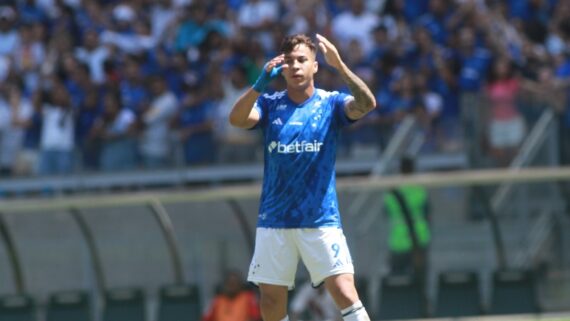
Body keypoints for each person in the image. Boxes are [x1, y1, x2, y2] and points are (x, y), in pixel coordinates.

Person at [229, 34, 376, 321]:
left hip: (319, 219)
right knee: (271, 301)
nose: (295, 66)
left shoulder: (331, 103)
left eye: (302, 60)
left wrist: (341, 65)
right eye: (289, 62)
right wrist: (259, 84)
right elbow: (236, 120)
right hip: (274, 220)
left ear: (315, 66)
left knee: (345, 291)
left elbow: (367, 104)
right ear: (281, 68)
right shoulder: (270, 104)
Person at [383, 156, 430, 283]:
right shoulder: (420, 189)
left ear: (400, 169)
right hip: (419, 238)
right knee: (420, 280)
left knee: (396, 281)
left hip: (398, 239)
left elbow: (386, 212)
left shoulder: (393, 191)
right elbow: (427, 212)